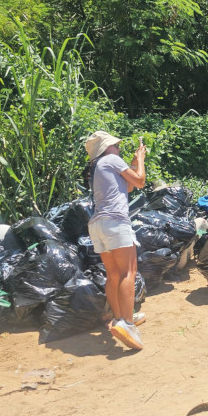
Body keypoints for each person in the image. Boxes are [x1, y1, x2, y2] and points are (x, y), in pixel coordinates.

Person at [85, 131, 147, 350]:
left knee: (113, 274)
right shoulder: (111, 160)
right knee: (128, 272)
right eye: (115, 145)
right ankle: (127, 324)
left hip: (98, 225)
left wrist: (132, 162)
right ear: (105, 148)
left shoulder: (100, 166)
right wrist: (140, 161)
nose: (119, 148)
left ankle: (119, 318)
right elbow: (140, 181)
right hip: (115, 222)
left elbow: (129, 186)